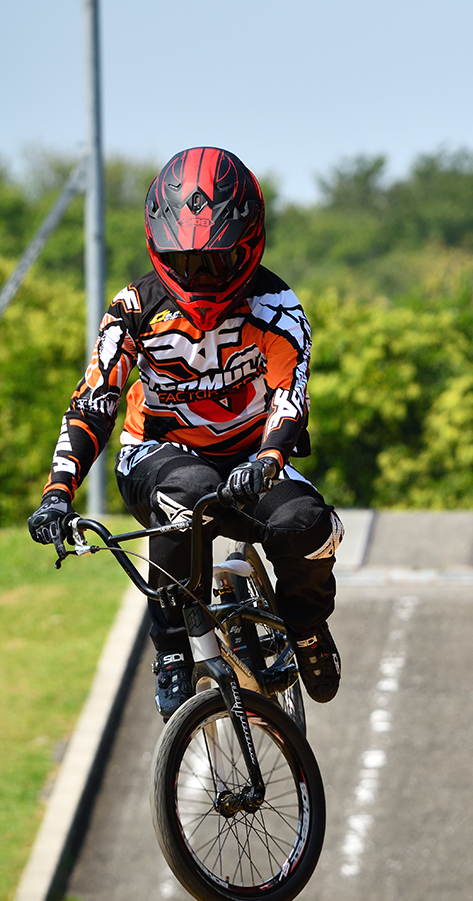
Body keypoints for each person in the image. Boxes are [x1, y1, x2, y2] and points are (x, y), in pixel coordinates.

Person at [26, 146, 344, 718]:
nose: (200, 280)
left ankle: (306, 626)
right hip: (157, 457)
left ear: (249, 245)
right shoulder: (132, 310)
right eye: (183, 262)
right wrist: (57, 492)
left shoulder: (278, 306)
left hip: (254, 459)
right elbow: (93, 403)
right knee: (188, 489)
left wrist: (270, 459)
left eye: (215, 263)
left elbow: (290, 401)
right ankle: (172, 647)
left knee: (308, 524)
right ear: (156, 247)